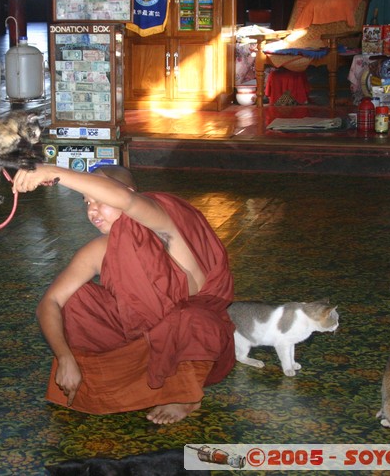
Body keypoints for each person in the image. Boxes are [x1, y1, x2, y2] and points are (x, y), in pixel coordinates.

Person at [13, 164, 236, 424]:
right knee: (76, 300)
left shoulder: (162, 222)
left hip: (188, 344)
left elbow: (127, 200)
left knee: (192, 319)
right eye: (86, 202)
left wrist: (49, 171)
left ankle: (185, 395)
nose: (92, 210)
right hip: (141, 342)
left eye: (100, 200)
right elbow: (50, 302)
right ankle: (128, 384)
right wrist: (65, 357)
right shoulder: (97, 250)